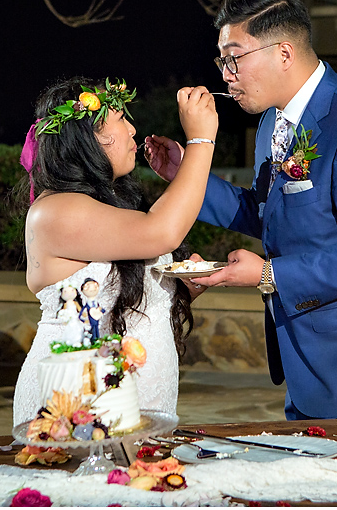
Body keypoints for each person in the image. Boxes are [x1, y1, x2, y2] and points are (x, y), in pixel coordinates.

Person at [144, 0, 337, 420]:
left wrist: (269, 273)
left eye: (234, 58)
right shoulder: (272, 121)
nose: (226, 74)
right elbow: (271, 216)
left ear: (283, 53)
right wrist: (188, 171)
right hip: (303, 349)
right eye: (222, 60)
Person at [12, 76, 218, 427]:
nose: (133, 129)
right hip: (74, 407)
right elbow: (162, 231)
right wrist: (201, 140)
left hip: (140, 401)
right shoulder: (55, 211)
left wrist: (181, 289)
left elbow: (127, 299)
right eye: (121, 119)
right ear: (87, 138)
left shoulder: (108, 204)